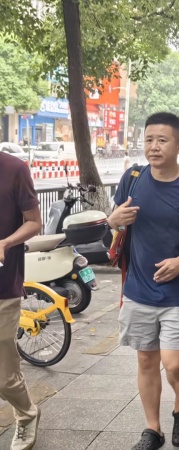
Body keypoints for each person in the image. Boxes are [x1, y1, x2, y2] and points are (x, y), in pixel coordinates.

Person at [108, 112, 179, 450]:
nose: (154, 147)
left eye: (162, 140)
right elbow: (115, 223)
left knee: (174, 362)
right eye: (149, 139)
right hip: (138, 288)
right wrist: (113, 219)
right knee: (146, 360)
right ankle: (152, 429)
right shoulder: (133, 178)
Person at [0, 152, 43, 450]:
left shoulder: (14, 169)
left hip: (3, 287)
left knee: (4, 377)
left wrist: (6, 242)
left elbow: (34, 222)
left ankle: (27, 414)